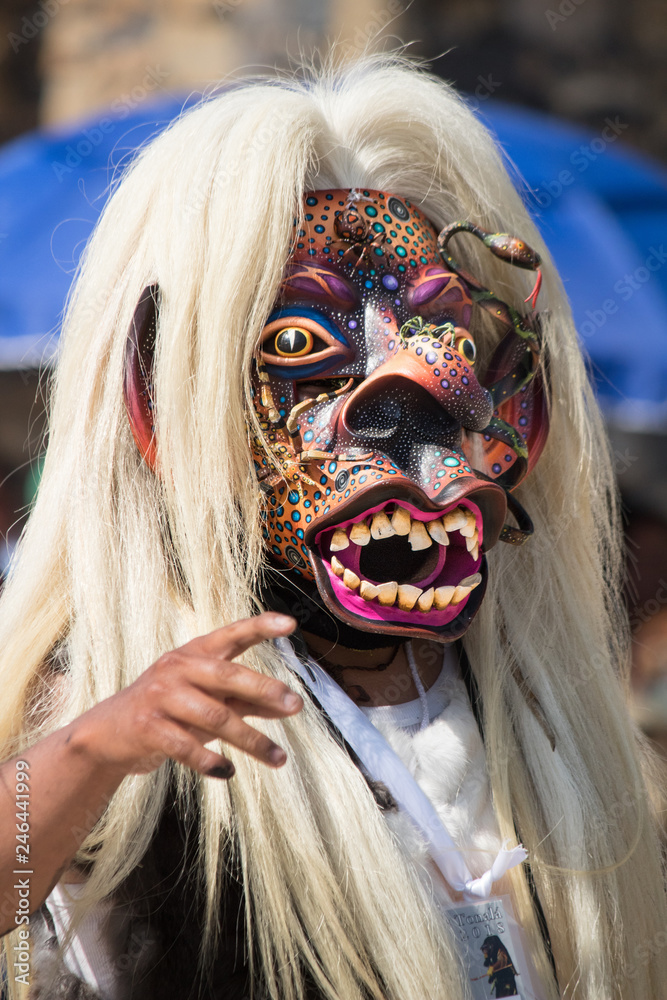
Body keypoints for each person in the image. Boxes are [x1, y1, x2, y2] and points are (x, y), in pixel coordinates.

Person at [0, 54, 665, 1000]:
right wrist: (92, 751)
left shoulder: (532, 717)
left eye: (452, 342)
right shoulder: (120, 710)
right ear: (165, 402)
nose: (413, 392)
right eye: (303, 347)